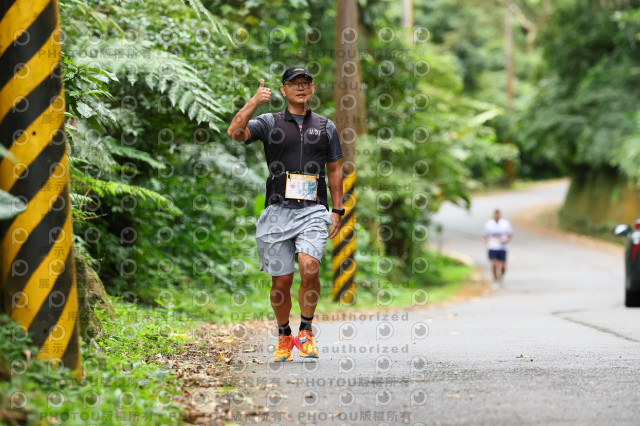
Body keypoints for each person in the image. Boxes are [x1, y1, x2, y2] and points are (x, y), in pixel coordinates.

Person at [226, 66, 345, 362]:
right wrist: (254, 101)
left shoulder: (325, 126)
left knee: (310, 267)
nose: (300, 88)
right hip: (278, 211)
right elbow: (235, 132)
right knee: (281, 282)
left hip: (313, 210)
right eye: (294, 84)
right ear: (283, 90)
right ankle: (283, 336)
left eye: (305, 83)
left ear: (313, 88)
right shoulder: (270, 122)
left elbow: (335, 168)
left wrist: (338, 209)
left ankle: (305, 330)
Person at [483, 209, 513, 283]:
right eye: (495, 214)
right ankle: (495, 279)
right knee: (494, 264)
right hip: (492, 247)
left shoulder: (505, 223)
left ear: (500, 215)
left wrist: (506, 240)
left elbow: (510, 234)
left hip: (502, 247)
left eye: (498, 214)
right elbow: (485, 235)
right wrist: (486, 242)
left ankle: (501, 277)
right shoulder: (489, 224)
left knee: (503, 266)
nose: (496, 216)